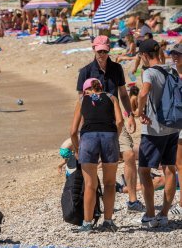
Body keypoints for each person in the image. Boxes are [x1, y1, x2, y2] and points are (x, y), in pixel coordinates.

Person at [76, 35, 144, 212]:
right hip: (92, 125)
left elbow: (123, 93)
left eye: (105, 51)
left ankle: (132, 200)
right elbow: (80, 102)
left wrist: (129, 115)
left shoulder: (116, 68)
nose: (103, 54)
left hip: (115, 122)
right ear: (93, 49)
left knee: (128, 154)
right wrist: (79, 131)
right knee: (92, 164)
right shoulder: (85, 71)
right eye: (99, 51)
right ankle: (97, 204)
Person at [71, 78, 124, 232]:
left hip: (88, 138)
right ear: (101, 87)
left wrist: (76, 149)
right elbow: (120, 121)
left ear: (87, 90)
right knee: (109, 183)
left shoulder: (82, 100)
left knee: (90, 185)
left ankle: (87, 224)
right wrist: (115, 136)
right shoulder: (111, 98)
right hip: (109, 136)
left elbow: (73, 131)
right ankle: (108, 221)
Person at [137, 39, 180, 227]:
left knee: (144, 170)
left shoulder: (149, 72)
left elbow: (144, 92)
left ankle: (150, 215)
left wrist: (140, 111)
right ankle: (164, 214)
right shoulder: (170, 69)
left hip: (154, 129)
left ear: (145, 56)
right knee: (170, 169)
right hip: (173, 126)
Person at [169, 44, 182, 215]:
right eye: (173, 54)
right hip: (174, 121)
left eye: (179, 54)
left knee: (179, 163)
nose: (175, 56)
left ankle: (180, 203)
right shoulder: (170, 73)